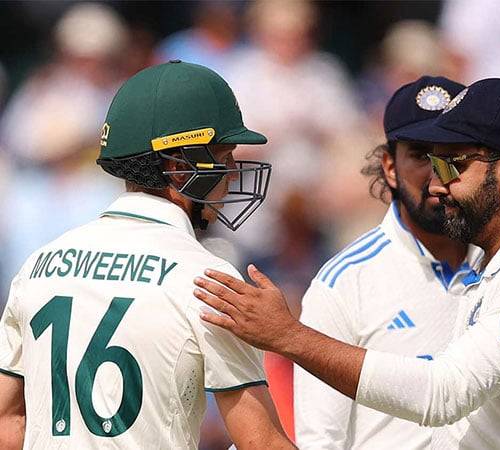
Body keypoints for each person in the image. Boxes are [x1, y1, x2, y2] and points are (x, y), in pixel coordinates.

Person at [194, 78, 500, 449]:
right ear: (389, 166)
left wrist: (289, 336)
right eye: (424, 159)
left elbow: (444, 393)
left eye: (452, 164)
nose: (438, 183)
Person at [0, 61, 295, 450]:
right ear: (178, 167)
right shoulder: (209, 278)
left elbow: (8, 420)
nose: (231, 175)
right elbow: (262, 443)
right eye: (223, 158)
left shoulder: (38, 265)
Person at [294, 76, 482, 449]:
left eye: (451, 156)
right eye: (419, 154)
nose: (437, 175)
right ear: (389, 166)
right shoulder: (344, 283)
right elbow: (320, 440)